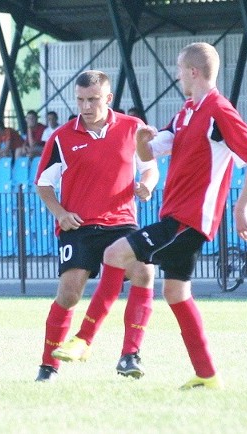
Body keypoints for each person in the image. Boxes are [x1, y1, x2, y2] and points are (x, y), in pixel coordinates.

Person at [59, 42, 247, 389]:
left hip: (189, 219)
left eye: (179, 68)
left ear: (193, 72)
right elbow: (152, 150)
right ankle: (206, 374)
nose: (176, 75)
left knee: (115, 253)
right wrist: (142, 140)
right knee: (176, 294)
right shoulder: (187, 111)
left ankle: (84, 340)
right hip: (177, 215)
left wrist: (241, 207)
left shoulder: (219, 110)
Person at [33, 70, 159, 382]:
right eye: (80, 100)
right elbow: (43, 185)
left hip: (121, 224)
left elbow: (150, 169)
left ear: (108, 98)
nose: (86, 106)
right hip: (79, 227)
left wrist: (146, 185)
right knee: (70, 294)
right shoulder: (61, 137)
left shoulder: (132, 128)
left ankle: (130, 355)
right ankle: (48, 366)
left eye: (92, 99)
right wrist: (60, 213)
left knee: (144, 272)